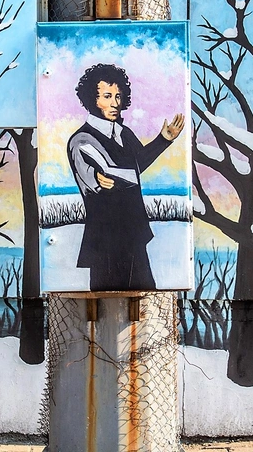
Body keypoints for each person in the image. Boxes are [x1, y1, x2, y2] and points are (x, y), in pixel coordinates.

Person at [66, 63, 184, 291]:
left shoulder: (124, 133)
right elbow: (87, 176)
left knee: (145, 295)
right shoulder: (81, 139)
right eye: (107, 96)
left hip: (134, 235)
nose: (115, 103)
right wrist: (97, 178)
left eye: (118, 96)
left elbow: (137, 166)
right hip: (105, 242)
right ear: (92, 99)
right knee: (103, 300)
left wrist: (163, 140)